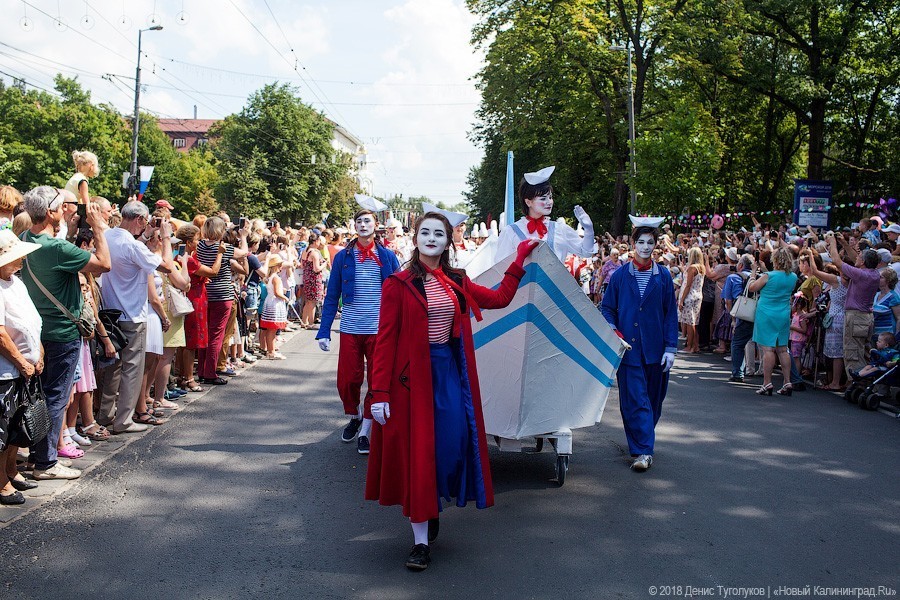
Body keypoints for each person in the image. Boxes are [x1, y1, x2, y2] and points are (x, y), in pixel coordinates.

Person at [365, 212, 536, 571]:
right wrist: (378, 393)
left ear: (448, 241)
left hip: (447, 374)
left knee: (454, 445)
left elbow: (501, 298)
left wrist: (519, 259)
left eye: (438, 233)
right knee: (419, 455)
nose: (430, 238)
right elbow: (384, 341)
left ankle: (430, 503)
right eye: (424, 232)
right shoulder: (398, 283)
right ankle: (421, 541)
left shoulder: (457, 280)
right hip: (410, 381)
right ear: (415, 239)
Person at [21, 186, 110, 479]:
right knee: (56, 398)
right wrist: (98, 229)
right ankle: (46, 463)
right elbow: (103, 265)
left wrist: (70, 234)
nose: (66, 212)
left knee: (40, 397)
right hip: (61, 332)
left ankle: (38, 457)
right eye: (61, 208)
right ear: (50, 213)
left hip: (36, 331)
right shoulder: (57, 248)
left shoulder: (25, 240)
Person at [316, 207, 400, 455]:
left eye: (367, 221)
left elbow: (398, 294)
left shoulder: (387, 256)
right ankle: (354, 415)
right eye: (359, 221)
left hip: (379, 330)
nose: (363, 225)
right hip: (351, 328)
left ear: (376, 226)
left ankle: (365, 430)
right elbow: (332, 296)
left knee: (376, 380)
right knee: (347, 380)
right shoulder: (343, 257)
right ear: (354, 227)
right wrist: (323, 330)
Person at [601, 216, 678, 472]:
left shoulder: (663, 276)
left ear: (656, 245)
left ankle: (643, 436)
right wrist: (613, 330)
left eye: (650, 243)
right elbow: (608, 308)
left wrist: (671, 348)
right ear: (633, 244)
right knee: (635, 400)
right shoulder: (621, 275)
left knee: (654, 401)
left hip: (656, 350)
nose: (645, 247)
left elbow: (670, 314)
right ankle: (643, 450)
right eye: (641, 242)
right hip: (630, 350)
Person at [95, 201, 173, 434]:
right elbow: (167, 266)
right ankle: (124, 419)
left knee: (113, 368)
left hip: (109, 313)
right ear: (139, 219)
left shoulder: (108, 236)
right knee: (132, 370)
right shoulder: (133, 246)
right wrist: (166, 238)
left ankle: (106, 415)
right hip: (132, 315)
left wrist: (147, 233)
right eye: (145, 221)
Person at [0, 230, 44, 505]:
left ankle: (11, 469)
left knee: (18, 424)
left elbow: (31, 318)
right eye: (15, 257)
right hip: (6, 369)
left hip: (24, 366)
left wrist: (37, 351)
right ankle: (1, 481)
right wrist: (22, 362)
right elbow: (1, 334)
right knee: (2, 430)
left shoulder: (15, 281)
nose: (22, 261)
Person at [494, 166, 595, 264]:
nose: (549, 202)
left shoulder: (560, 229)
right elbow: (500, 268)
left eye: (550, 197)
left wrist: (589, 230)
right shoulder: (510, 232)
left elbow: (585, 252)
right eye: (543, 199)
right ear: (528, 202)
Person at [177, 224, 225, 392]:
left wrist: (202, 279)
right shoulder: (188, 259)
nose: (200, 242)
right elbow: (213, 271)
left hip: (194, 296)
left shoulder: (184, 256)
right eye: (197, 239)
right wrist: (219, 254)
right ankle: (189, 378)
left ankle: (182, 376)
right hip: (194, 300)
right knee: (191, 341)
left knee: (185, 341)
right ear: (189, 242)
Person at [824, 233, 880, 376]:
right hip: (866, 317)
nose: (856, 258)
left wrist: (832, 242)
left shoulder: (861, 275)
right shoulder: (874, 274)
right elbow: (855, 258)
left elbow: (837, 261)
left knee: (853, 352)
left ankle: (857, 381)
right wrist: (844, 243)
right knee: (864, 351)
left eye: (859, 257)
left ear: (863, 262)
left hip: (856, 317)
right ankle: (865, 379)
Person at [749, 247, 798, 396]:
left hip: (766, 313)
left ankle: (767, 382)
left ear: (775, 260)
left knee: (768, 349)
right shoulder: (793, 277)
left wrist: (753, 273)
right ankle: (787, 381)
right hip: (783, 313)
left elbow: (752, 287)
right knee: (782, 349)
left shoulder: (768, 276)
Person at [726, 254, 755, 382]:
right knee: (772, 346)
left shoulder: (732, 278)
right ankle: (793, 378)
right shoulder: (759, 277)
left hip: (743, 313)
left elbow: (728, 300)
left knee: (738, 343)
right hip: (760, 312)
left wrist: (733, 319)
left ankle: (738, 373)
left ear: (741, 265)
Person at [259, 255, 289, 360]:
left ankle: (270, 350)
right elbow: (277, 293)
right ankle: (271, 351)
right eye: (280, 265)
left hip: (270, 302)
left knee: (270, 329)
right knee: (272, 329)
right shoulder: (275, 277)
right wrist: (285, 297)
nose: (282, 267)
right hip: (274, 303)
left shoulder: (271, 277)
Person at [678, 247, 705, 353]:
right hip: (698, 295)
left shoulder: (692, 268)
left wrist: (681, 300)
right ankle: (695, 346)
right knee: (694, 322)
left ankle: (689, 346)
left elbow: (688, 285)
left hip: (690, 296)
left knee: (690, 322)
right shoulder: (701, 267)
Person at [300, 233, 326, 329]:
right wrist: (324, 264)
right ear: (315, 241)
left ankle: (304, 321)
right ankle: (311, 323)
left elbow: (302, 265)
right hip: (314, 279)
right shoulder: (314, 253)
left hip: (306, 277)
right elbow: (316, 268)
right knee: (313, 302)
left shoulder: (305, 251)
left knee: (308, 301)